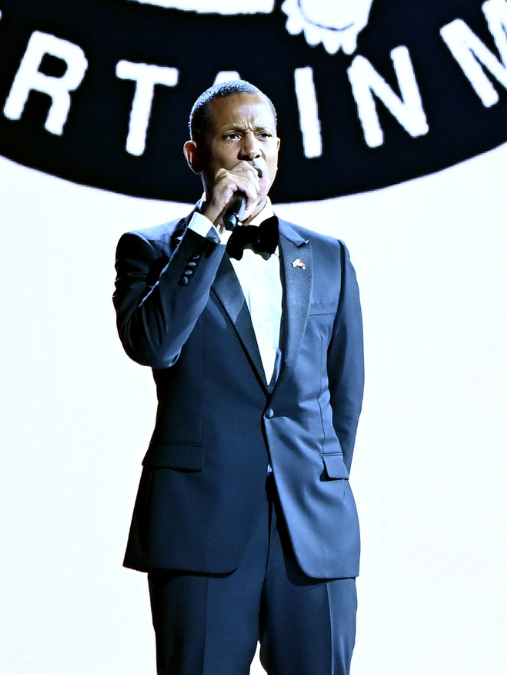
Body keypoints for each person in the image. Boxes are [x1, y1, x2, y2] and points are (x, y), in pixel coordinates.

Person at [113, 79, 364, 674]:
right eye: (232, 135)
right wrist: (208, 227)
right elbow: (155, 343)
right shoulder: (151, 250)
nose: (251, 148)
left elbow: (343, 395)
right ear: (195, 155)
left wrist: (316, 480)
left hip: (313, 530)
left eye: (263, 134)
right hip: (200, 527)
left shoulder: (328, 256)